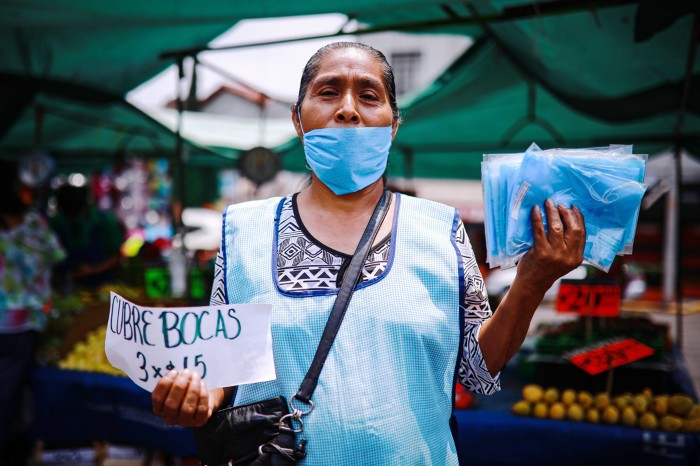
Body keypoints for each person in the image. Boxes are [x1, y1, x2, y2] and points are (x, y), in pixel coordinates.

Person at [151, 42, 585, 465]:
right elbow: (225, 371)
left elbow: (475, 369)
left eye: (369, 95)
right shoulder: (242, 230)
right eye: (327, 91)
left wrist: (532, 281)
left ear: (393, 124)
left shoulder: (441, 228)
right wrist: (198, 396)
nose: (347, 109)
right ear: (298, 120)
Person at [0, 160, 66, 465]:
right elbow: (57, 257)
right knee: (8, 396)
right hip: (22, 325)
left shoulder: (30, 224)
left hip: (19, 325)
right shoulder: (34, 225)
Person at [50, 184, 124, 290]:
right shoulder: (57, 222)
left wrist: (93, 270)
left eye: (75, 213)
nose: (72, 217)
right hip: (66, 287)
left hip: (103, 287)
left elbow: (117, 255)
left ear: (85, 206)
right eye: (68, 213)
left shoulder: (106, 221)